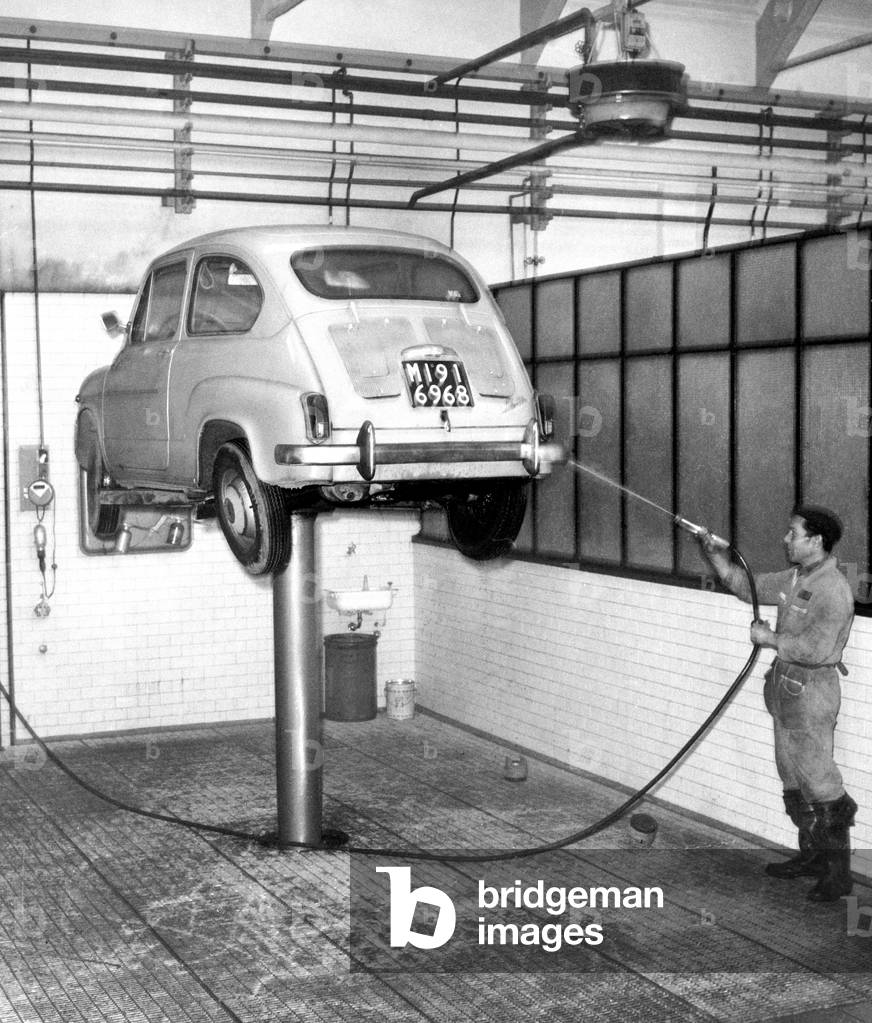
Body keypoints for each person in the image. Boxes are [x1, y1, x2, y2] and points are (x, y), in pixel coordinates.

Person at [699, 505, 856, 903]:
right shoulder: (794, 578)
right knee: (794, 781)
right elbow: (743, 585)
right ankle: (814, 858)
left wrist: (771, 640)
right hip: (786, 694)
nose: (785, 539)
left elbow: (820, 649)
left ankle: (838, 877)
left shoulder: (832, 588)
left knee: (822, 785)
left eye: (793, 533)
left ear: (815, 540)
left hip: (813, 695)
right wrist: (716, 553)